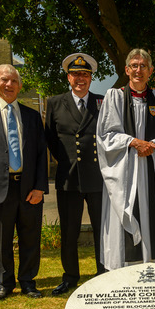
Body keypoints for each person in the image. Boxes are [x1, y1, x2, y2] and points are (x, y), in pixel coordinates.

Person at [96, 49, 155, 270]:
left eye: (143, 66)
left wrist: (153, 145)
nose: (138, 70)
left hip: (154, 170)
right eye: (134, 65)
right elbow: (105, 135)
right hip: (126, 172)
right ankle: (126, 269)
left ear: (150, 71)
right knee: (128, 212)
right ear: (126, 70)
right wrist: (133, 142)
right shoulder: (114, 97)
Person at [0, 64, 48, 302]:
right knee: (2, 239)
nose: (9, 84)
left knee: (30, 237)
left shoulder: (32, 116)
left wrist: (40, 187)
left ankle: (28, 282)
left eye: (14, 81)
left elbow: (41, 154)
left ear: (20, 86)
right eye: (4, 80)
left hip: (28, 188)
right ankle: (4, 284)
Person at [46, 53, 105, 296]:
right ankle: (70, 276)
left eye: (85, 74)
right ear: (68, 77)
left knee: (103, 230)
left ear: (91, 78)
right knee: (69, 232)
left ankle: (104, 273)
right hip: (69, 177)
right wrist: (66, 161)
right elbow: (50, 138)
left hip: (98, 177)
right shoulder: (55, 103)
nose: (80, 79)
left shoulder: (103, 102)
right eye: (76, 74)